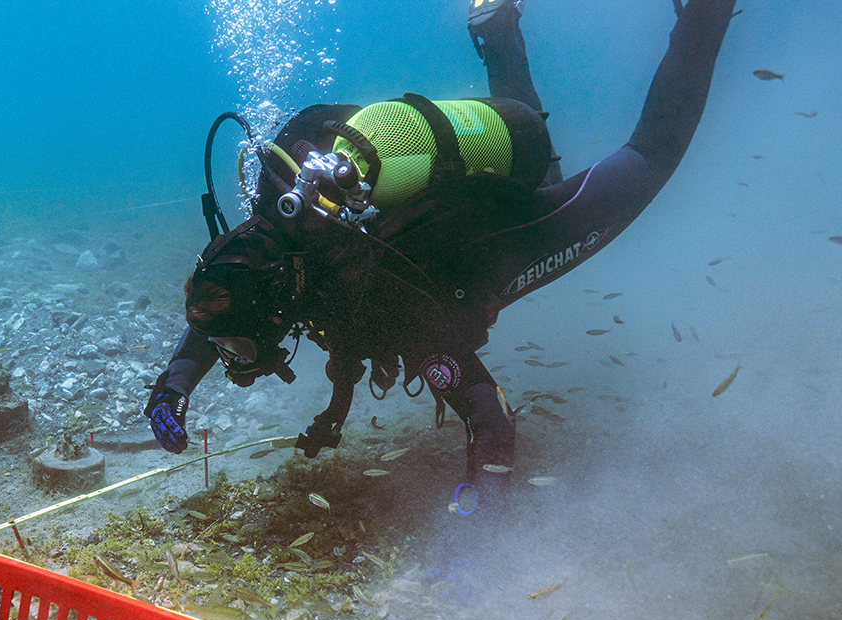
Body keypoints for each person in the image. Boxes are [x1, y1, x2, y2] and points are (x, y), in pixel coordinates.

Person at [145, 0, 738, 513]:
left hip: (504, 242)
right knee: (547, 160)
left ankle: (707, 13)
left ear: (273, 312)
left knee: (651, 156)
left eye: (237, 348)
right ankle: (498, 27)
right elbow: (224, 313)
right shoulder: (273, 244)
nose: (233, 359)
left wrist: (479, 514)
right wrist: (172, 388)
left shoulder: (384, 303)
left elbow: (488, 416)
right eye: (228, 349)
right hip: (457, 206)